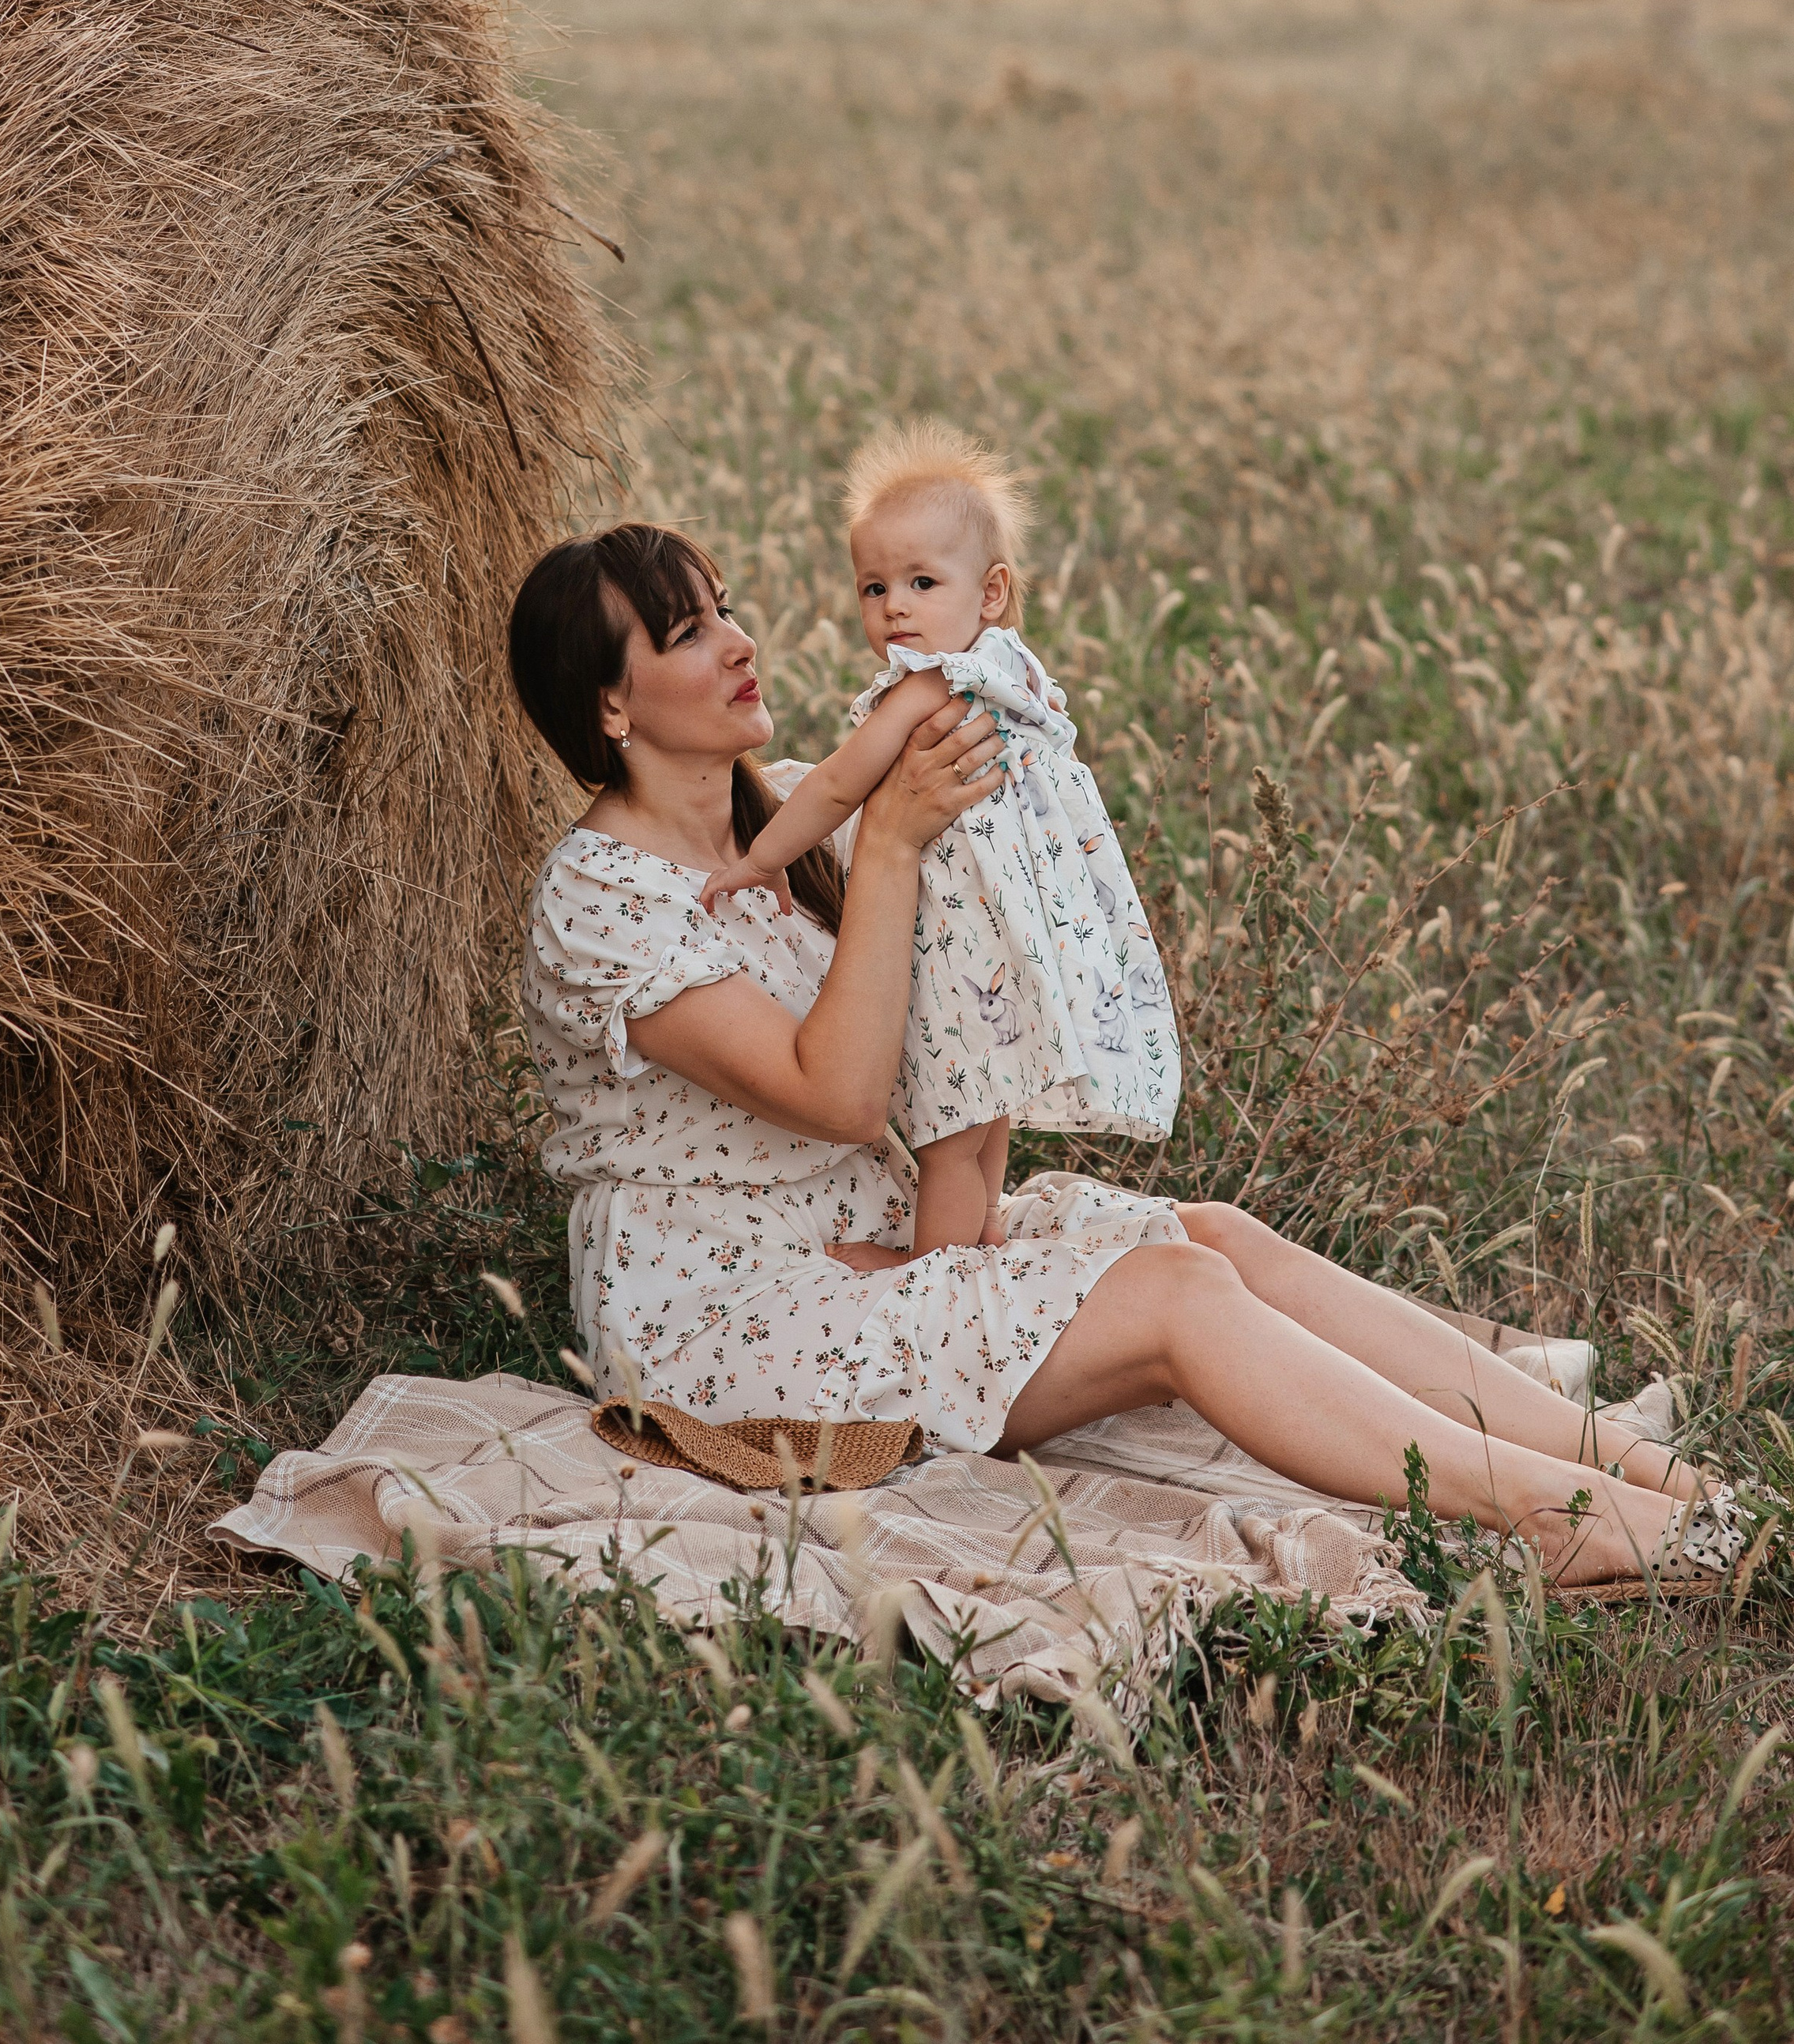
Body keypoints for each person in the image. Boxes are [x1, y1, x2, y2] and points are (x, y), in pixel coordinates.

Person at [508, 519, 1728, 1589]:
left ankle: (1657, 1475)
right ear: (612, 706)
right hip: (731, 1320)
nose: (740, 642)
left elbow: (961, 1006)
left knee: (1213, 1237)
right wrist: (890, 845)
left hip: (874, 1234)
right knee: (1174, 1295)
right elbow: (839, 1095)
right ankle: (1567, 1515)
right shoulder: (603, 900)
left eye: (727, 608)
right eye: (689, 632)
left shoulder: (784, 810)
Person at [698, 420, 1176, 1255]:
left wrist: (764, 858)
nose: (894, 606)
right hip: (1029, 936)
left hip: (962, 947)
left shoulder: (927, 686)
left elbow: (838, 784)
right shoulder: (1019, 672)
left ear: (990, 592)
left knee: (950, 1136)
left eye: (921, 581)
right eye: (873, 587)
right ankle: (984, 1241)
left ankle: (943, 1280)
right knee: (991, 1115)